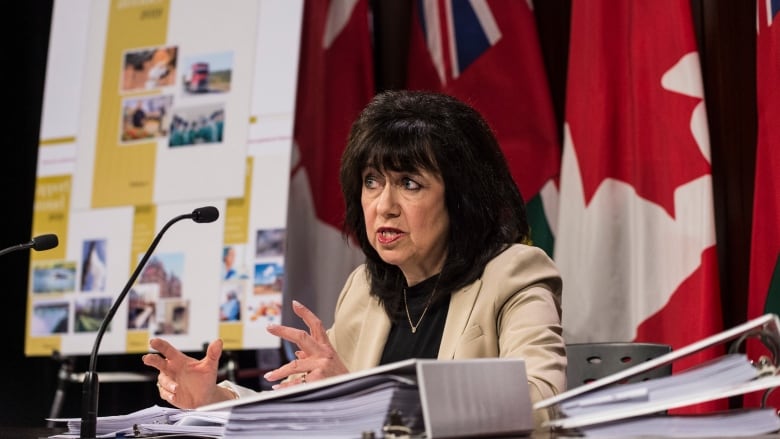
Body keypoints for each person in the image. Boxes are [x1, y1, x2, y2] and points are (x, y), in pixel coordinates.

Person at [142, 90, 566, 427]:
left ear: (460, 198)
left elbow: (544, 403)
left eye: (409, 183)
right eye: (372, 181)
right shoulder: (365, 289)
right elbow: (304, 406)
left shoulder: (513, 274)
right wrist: (213, 397)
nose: (384, 205)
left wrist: (362, 396)